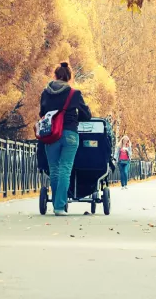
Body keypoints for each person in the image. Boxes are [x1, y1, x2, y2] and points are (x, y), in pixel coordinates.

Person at [40, 62, 91, 216]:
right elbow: (86, 115)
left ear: (55, 75)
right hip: (70, 134)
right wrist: (75, 118)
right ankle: (59, 206)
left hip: (51, 135)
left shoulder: (45, 93)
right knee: (65, 169)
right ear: (69, 77)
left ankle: (58, 204)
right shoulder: (74, 94)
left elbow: (42, 112)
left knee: (54, 169)